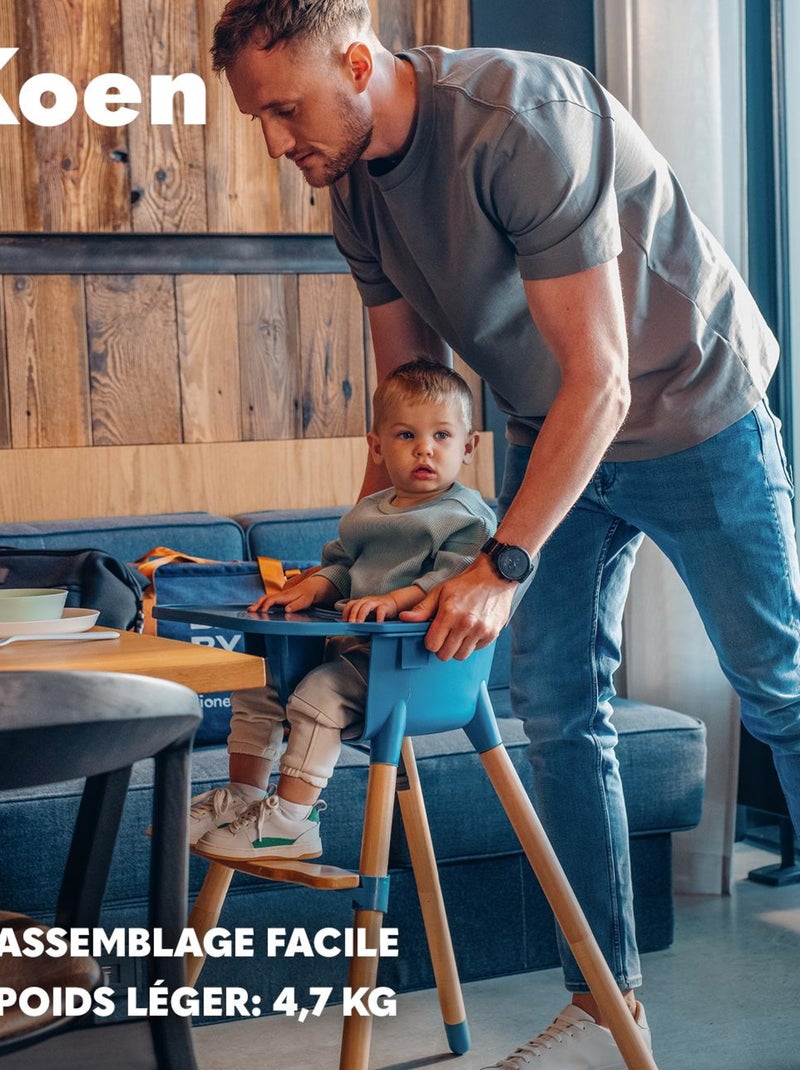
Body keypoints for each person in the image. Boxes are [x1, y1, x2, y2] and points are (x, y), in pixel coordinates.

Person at [209, 3, 800, 1067]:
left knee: (777, 686)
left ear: (355, 63)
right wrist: (347, 560)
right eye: (259, 116)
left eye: (286, 109)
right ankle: (604, 997)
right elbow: (407, 403)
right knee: (558, 707)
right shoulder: (352, 188)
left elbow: (605, 377)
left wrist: (499, 561)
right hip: (549, 421)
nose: (275, 143)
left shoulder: (517, 121)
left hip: (689, 409)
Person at [191, 358, 499, 861]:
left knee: (317, 696)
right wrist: (311, 589)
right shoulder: (367, 511)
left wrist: (394, 600)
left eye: (442, 435)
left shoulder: (464, 517)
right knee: (257, 681)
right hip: (349, 649)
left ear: (468, 447)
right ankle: (244, 798)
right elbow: (340, 567)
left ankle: (291, 823)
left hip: (415, 664)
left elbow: (452, 580)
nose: (425, 448)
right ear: (377, 447)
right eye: (405, 435)